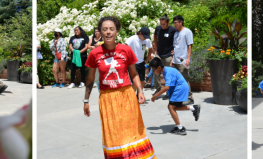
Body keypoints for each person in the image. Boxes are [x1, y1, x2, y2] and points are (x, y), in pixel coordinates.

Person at [83, 16, 155, 158]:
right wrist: (86, 101)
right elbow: (90, 78)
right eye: (105, 29)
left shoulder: (125, 50)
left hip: (127, 96)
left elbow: (134, 74)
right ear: (100, 33)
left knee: (132, 131)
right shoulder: (94, 53)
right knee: (113, 135)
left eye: (111, 29)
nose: (108, 32)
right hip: (107, 99)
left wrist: (140, 91)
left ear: (117, 32)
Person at [149, 58, 200, 135]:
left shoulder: (167, 72)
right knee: (174, 107)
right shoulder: (165, 71)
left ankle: (180, 128)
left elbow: (167, 87)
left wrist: (155, 96)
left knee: (170, 107)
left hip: (180, 88)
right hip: (180, 88)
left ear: (159, 67)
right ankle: (194, 108)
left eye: (153, 69)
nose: (153, 71)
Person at [152, 14, 177, 99]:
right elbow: (155, 36)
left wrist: (175, 51)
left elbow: (177, 40)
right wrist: (155, 48)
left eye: (164, 24)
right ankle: (158, 89)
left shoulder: (173, 30)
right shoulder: (158, 28)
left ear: (168, 23)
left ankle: (168, 92)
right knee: (155, 70)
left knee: (167, 73)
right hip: (159, 53)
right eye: (161, 24)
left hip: (168, 54)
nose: (162, 26)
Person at [171, 15, 194, 104]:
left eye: (175, 23)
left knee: (184, 79)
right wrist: (173, 59)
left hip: (183, 60)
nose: (174, 25)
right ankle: (180, 97)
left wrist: (188, 59)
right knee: (177, 80)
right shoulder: (176, 33)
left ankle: (190, 98)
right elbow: (175, 47)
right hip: (176, 60)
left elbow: (190, 46)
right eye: (174, 23)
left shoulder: (187, 32)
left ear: (181, 22)